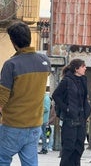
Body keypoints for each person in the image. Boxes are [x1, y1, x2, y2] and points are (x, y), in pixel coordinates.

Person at [0, 21, 51, 165]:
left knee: (2, 159)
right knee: (30, 162)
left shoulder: (11, 64)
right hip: (35, 124)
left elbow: (2, 98)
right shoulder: (45, 61)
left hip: (13, 124)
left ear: (13, 41)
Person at [52, 58, 91, 166]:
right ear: (76, 68)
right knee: (68, 148)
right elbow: (56, 95)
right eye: (83, 66)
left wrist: (87, 110)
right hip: (70, 119)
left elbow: (83, 98)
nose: (85, 68)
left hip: (81, 119)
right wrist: (67, 108)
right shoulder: (66, 80)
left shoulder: (83, 79)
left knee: (79, 147)